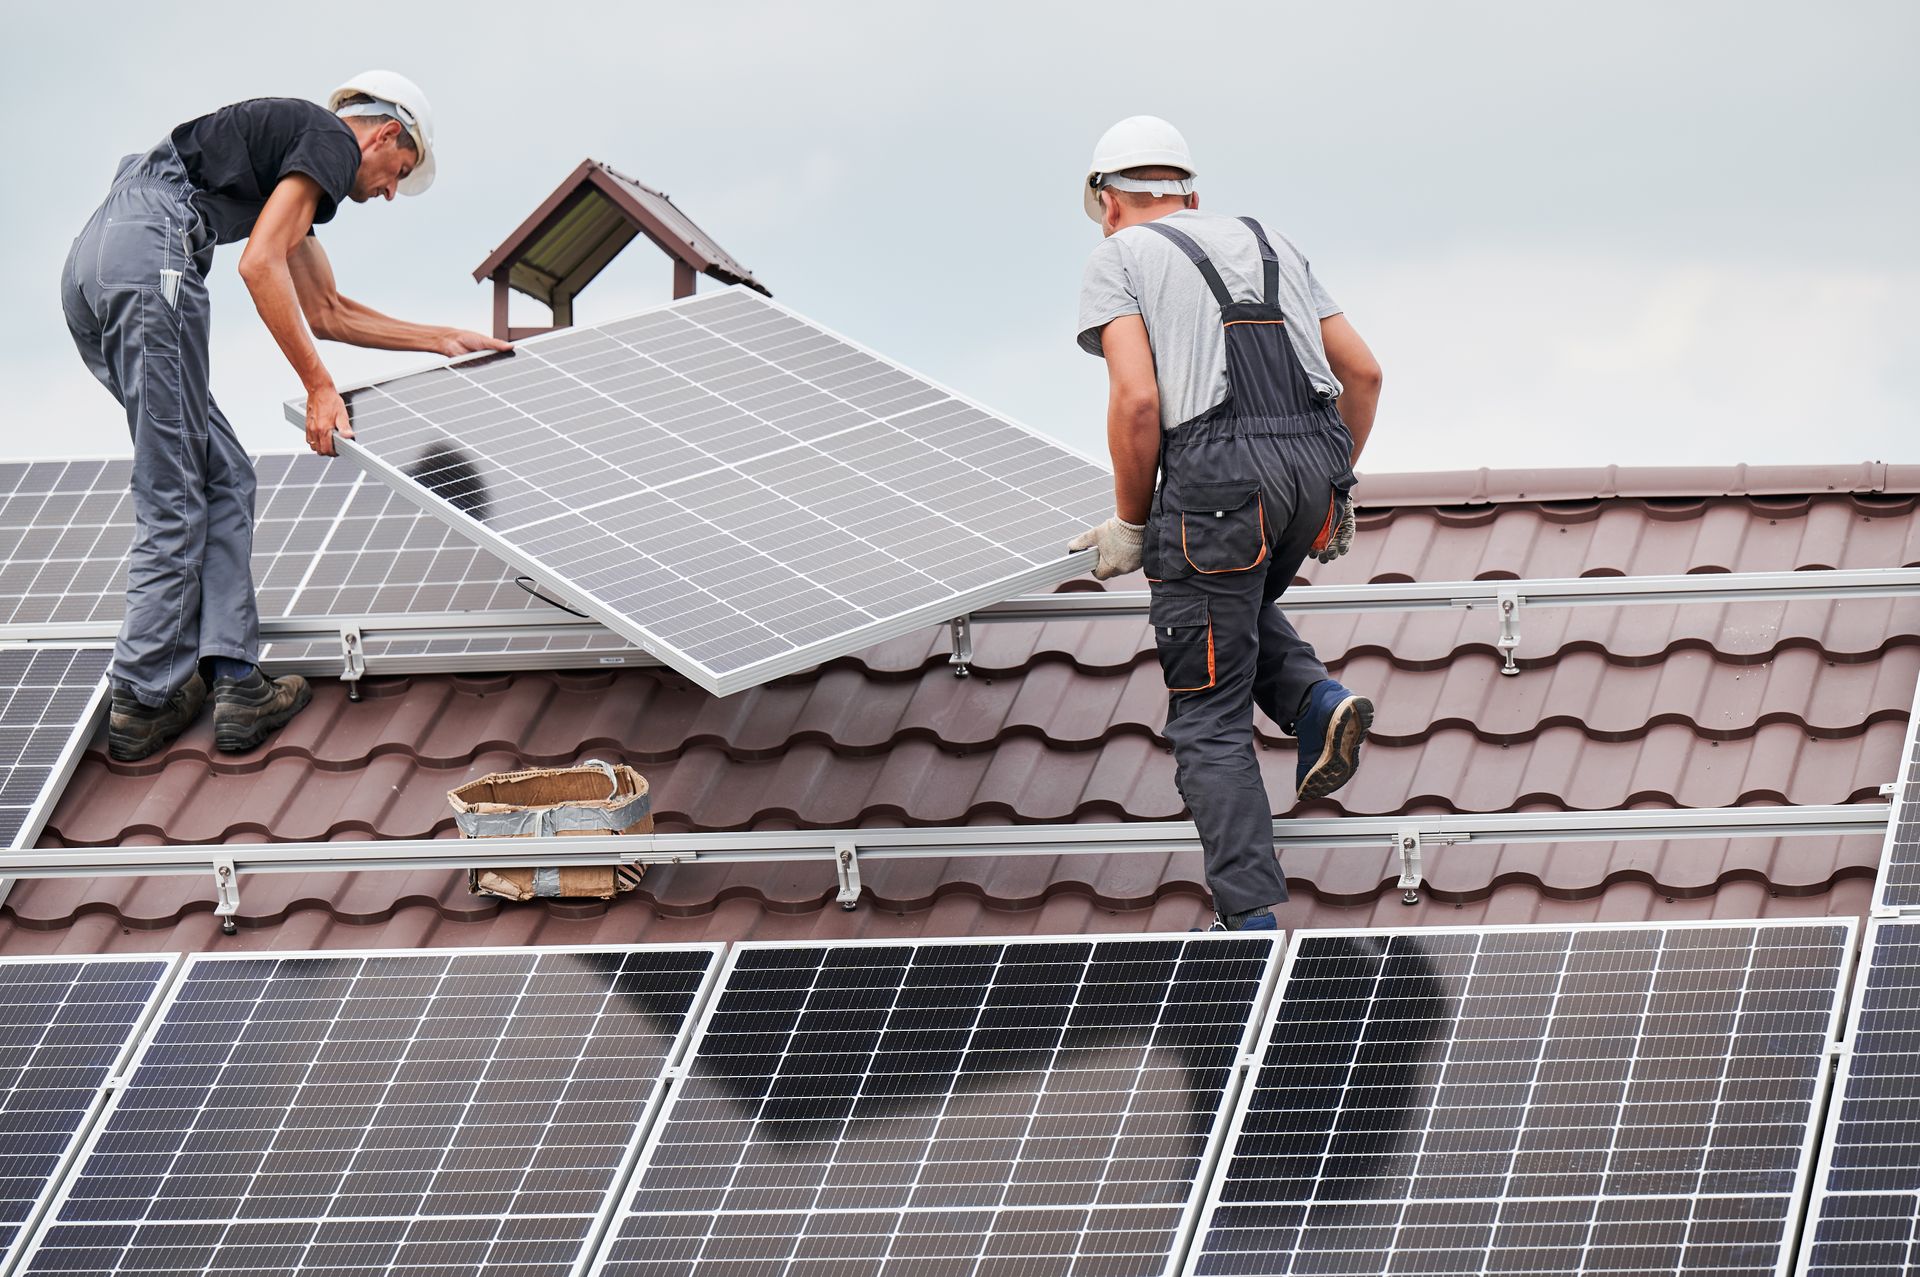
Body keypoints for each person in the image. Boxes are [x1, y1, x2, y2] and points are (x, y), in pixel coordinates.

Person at [60, 72, 508, 761]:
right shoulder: (329, 139)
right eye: (400, 172)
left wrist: (439, 337)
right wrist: (320, 389)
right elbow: (258, 264)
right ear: (385, 133)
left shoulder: (288, 169)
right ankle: (144, 696)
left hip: (99, 263)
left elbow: (327, 311)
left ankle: (234, 677)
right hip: (152, 258)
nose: (390, 191)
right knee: (175, 488)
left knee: (222, 473)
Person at [1069, 116, 1384, 931]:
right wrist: (1333, 483)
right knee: (1226, 597)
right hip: (1313, 466)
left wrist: (1132, 524)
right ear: (1191, 193)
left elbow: (1138, 400)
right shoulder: (1269, 238)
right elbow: (1364, 372)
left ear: (1106, 201)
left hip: (1218, 481)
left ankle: (1247, 923)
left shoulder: (1118, 258)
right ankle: (1315, 702)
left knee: (1207, 713)